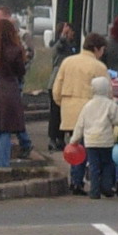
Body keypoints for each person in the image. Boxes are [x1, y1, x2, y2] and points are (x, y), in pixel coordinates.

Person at [52, 32, 108, 194]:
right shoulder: (99, 67)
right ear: (96, 49)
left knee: (75, 144)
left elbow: (57, 88)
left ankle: (76, 181)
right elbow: (107, 92)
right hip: (91, 112)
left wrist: (62, 103)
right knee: (87, 148)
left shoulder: (67, 62)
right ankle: (80, 181)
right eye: (102, 49)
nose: (102, 53)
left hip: (69, 110)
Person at [69, 75, 118, 199]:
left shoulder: (87, 106)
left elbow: (80, 125)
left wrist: (74, 141)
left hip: (90, 142)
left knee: (94, 167)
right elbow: (117, 121)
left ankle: (94, 191)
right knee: (107, 165)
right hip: (106, 141)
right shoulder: (110, 105)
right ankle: (106, 187)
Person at [0, 5, 34, 159]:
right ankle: (23, 142)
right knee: (8, 117)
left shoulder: (22, 35)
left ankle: (25, 143)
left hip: (14, 80)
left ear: (8, 17)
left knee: (12, 116)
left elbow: (29, 55)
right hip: (5, 82)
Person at [0, 18, 27, 167]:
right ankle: (2, 166)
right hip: (10, 91)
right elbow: (20, 71)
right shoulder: (15, 50)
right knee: (6, 130)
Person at [47, 21, 78, 151]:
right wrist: (63, 35)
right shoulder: (60, 44)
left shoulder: (71, 46)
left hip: (66, 82)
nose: (72, 34)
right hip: (56, 83)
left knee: (62, 113)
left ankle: (60, 138)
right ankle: (53, 138)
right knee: (55, 112)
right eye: (70, 31)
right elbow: (58, 47)